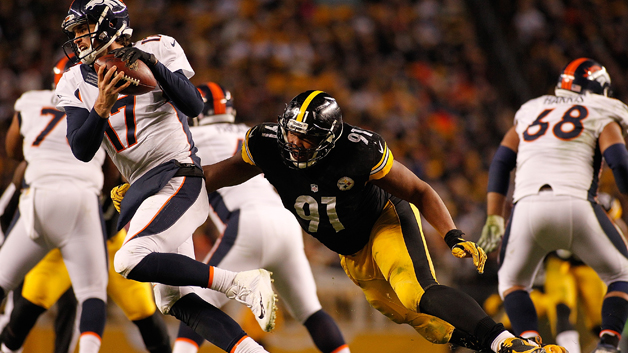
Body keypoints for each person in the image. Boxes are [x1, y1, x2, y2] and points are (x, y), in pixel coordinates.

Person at [200, 89, 567, 353]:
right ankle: (485, 344)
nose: (293, 142)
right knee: (409, 316)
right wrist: (179, 186)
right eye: (290, 131)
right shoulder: (266, 143)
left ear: (328, 140)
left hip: (382, 223)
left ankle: (508, 344)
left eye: (305, 138)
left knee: (415, 291)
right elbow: (229, 169)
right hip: (350, 250)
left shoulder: (359, 150)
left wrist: (451, 233)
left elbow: (419, 190)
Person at [55, 1, 276, 352]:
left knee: (129, 259)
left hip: (178, 175)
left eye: (83, 29)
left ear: (109, 25)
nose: (78, 38)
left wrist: (152, 64)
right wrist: (101, 107)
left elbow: (193, 105)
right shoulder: (72, 80)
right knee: (173, 300)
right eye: (76, 32)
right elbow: (81, 149)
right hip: (141, 188)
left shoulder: (158, 46)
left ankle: (240, 282)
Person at [166, 82, 349, 353]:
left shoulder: (189, 135)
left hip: (246, 223)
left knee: (194, 304)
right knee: (311, 311)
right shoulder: (248, 131)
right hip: (284, 221)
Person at [478, 57, 628, 353]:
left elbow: (500, 163)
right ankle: (607, 346)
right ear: (600, 90)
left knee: (512, 282)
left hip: (525, 209)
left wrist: (494, 216)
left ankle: (531, 344)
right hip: (576, 204)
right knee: (621, 275)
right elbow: (620, 164)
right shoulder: (602, 111)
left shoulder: (532, 110)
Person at [1, 51, 111, 353]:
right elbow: (113, 170)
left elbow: (13, 150)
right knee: (92, 293)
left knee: (2, 279)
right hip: (81, 197)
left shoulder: (31, 101)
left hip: (38, 195)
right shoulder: (103, 104)